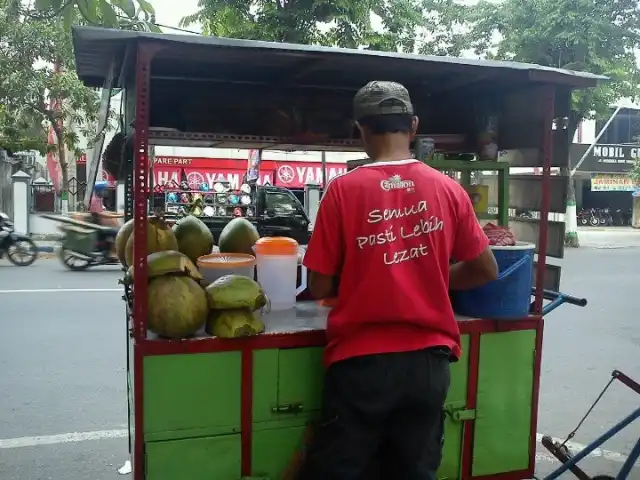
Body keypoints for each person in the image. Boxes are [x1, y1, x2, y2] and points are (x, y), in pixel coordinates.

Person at [297, 81, 499, 480]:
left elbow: (319, 286)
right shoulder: (449, 189)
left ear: (362, 129)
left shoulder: (342, 191)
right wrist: (434, 279)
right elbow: (485, 269)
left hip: (360, 366)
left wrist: (360, 278)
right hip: (428, 366)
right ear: (414, 126)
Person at [88, 181, 122, 256]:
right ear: (100, 190)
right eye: (104, 190)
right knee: (117, 233)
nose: (106, 192)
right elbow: (101, 214)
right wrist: (117, 216)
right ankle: (112, 253)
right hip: (97, 226)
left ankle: (108, 250)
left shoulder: (99, 198)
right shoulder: (94, 200)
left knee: (117, 229)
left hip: (100, 224)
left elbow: (104, 211)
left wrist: (118, 214)